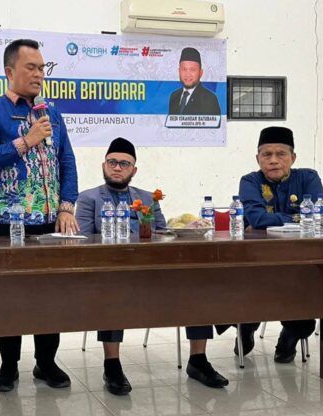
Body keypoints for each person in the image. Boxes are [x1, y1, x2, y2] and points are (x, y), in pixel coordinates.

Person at [76, 137, 229, 393]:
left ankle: (198, 360)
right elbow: (84, 240)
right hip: (111, 272)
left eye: (124, 164)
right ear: (103, 166)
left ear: (134, 170)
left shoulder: (148, 198)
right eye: (112, 162)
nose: (117, 167)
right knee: (111, 289)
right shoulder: (88, 198)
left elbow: (163, 234)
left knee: (197, 283)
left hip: (151, 271)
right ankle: (112, 365)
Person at [0, 38, 78, 393]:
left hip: (50, 223)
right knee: (10, 297)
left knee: (51, 296)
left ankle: (46, 363)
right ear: (9, 71)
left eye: (42, 68)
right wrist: (25, 141)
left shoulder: (52, 114)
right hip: (8, 223)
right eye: (31, 67)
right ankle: (8, 366)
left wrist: (66, 206)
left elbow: (66, 161)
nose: (38, 74)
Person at [237, 126, 323, 363]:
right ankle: (247, 325)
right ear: (258, 158)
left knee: (308, 284)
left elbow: (319, 215)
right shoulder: (250, 181)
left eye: (281, 154)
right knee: (246, 284)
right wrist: (299, 218)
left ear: (293, 158)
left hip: (300, 260)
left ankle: (291, 333)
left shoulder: (308, 178)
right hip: (257, 261)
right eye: (267, 154)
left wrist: (272, 220)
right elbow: (256, 218)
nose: (274, 161)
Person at [168, 47, 220, 115]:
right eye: (184, 69)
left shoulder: (210, 99)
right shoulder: (174, 96)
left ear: (200, 73)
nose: (188, 74)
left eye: (192, 70)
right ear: (179, 71)